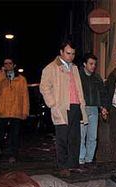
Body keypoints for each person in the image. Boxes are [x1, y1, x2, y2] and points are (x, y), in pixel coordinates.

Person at [40, 40, 88, 178]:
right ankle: (63, 165)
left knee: (75, 137)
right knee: (62, 138)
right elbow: (44, 87)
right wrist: (52, 104)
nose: (71, 56)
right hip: (61, 107)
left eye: (73, 54)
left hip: (75, 106)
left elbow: (78, 87)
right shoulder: (51, 68)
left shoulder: (74, 68)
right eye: (68, 53)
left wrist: (81, 103)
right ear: (61, 52)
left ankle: (73, 165)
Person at [0, 58, 29, 163]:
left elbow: (25, 96)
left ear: (14, 65)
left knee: (14, 135)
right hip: (3, 111)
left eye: (9, 63)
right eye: (5, 63)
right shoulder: (1, 78)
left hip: (16, 111)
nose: (7, 65)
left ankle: (13, 155)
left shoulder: (21, 79)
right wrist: (2, 75)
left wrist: (25, 111)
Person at [78, 53, 108, 165]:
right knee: (81, 136)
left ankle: (89, 159)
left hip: (94, 109)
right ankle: (81, 159)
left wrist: (103, 107)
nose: (93, 66)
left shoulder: (97, 78)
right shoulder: (79, 77)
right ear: (85, 64)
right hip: (82, 108)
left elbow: (103, 93)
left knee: (93, 136)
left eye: (95, 64)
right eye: (91, 64)